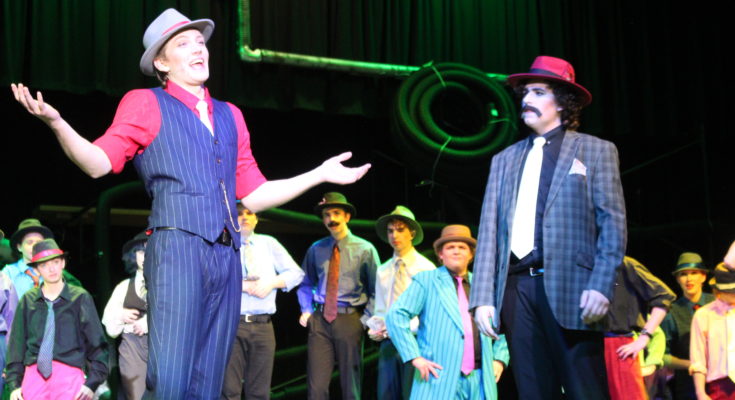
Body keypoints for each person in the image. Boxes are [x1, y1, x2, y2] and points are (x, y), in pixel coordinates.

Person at [11, 8, 369, 398]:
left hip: (227, 255)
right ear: (162, 63)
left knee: (209, 380)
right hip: (177, 249)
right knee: (171, 378)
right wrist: (58, 123)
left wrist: (318, 173)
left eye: (200, 42)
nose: (199, 49)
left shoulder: (231, 115)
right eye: (183, 44)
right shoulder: (146, 103)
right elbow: (99, 163)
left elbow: (254, 194)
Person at [469, 55, 627, 399]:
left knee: (586, 390)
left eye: (538, 92)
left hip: (574, 288)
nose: (526, 99)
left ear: (563, 102)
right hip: (517, 289)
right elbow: (489, 231)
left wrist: (602, 285)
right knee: (533, 391)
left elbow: (613, 224)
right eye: (525, 92)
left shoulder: (595, 150)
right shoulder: (503, 160)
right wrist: (482, 297)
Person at [386, 225, 509, 399]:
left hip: (480, 377)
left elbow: (504, 324)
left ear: (471, 254)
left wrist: (499, 359)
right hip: (438, 377)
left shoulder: (484, 285)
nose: (456, 251)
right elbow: (396, 315)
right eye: (450, 247)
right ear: (441, 254)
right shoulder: (427, 281)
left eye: (462, 247)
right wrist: (414, 357)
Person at [297, 192, 379, 400]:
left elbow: (377, 289)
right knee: (316, 386)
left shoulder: (365, 249)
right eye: (327, 215)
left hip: (349, 319)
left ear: (347, 216)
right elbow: (305, 283)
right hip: (320, 320)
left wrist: (365, 319)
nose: (331, 219)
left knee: (350, 385)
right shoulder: (316, 249)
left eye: (336, 213)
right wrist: (306, 310)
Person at [5, 239, 109, 400]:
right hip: (34, 376)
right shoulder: (28, 300)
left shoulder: (80, 297)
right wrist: (14, 384)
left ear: (63, 263)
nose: (51, 268)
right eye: (44, 265)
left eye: (55, 262)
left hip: (69, 374)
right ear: (37, 269)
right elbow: (16, 345)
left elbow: (97, 344)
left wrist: (92, 383)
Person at [222, 203, 304, 400]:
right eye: (239, 213)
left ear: (256, 219)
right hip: (232, 324)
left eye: (249, 213)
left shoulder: (269, 243)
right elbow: (209, 278)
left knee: (260, 391)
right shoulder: (223, 244)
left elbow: (296, 273)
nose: (244, 217)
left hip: (263, 325)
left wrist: (271, 283)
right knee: (229, 390)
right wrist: (238, 284)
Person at [368, 206, 435, 400]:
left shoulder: (426, 268)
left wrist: (401, 328)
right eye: (391, 231)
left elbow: (430, 312)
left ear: (411, 233)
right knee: (386, 394)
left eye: (400, 229)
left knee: (412, 394)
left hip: (416, 341)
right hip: (389, 343)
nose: (394, 235)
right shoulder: (383, 270)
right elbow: (381, 308)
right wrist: (376, 327)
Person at [604, 256, 676, 400]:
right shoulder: (578, 264)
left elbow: (664, 297)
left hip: (617, 345)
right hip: (587, 346)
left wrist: (644, 338)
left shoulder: (623, 264)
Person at [101, 231, 150, 400]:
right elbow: (109, 323)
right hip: (133, 347)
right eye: (141, 252)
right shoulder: (124, 286)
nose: (145, 256)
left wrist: (148, 322)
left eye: (150, 251)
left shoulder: (168, 285)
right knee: (136, 395)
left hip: (162, 346)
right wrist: (120, 315)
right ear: (134, 255)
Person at [661, 252, 716, 400]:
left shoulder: (717, 303)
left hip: (721, 380)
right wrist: (692, 364)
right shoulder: (671, 312)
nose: (689, 279)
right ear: (677, 279)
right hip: (688, 384)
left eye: (694, 273)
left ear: (703, 277)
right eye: (683, 274)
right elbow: (663, 356)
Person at [2, 219, 82, 299]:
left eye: (39, 243)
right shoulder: (8, 273)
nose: (35, 246)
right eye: (30, 242)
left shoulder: (57, 272)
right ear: (19, 247)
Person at [689, 261, 735, 400]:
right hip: (720, 388)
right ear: (719, 290)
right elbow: (698, 359)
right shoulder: (704, 315)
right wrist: (701, 393)